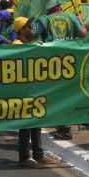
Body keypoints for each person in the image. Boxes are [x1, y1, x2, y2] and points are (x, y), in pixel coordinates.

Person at [36, 0, 87, 141]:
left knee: (56, 94)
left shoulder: (42, 20)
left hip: (50, 62)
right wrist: (80, 22)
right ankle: (66, 126)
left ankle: (62, 127)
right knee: (68, 93)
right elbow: (83, 34)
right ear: (59, 5)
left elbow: (33, 37)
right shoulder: (71, 16)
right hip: (71, 60)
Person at [11, 17, 56, 168]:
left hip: (34, 90)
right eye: (28, 27)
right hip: (22, 92)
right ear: (21, 30)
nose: (32, 30)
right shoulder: (16, 45)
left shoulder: (30, 44)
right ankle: (24, 157)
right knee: (25, 125)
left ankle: (38, 155)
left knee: (36, 123)